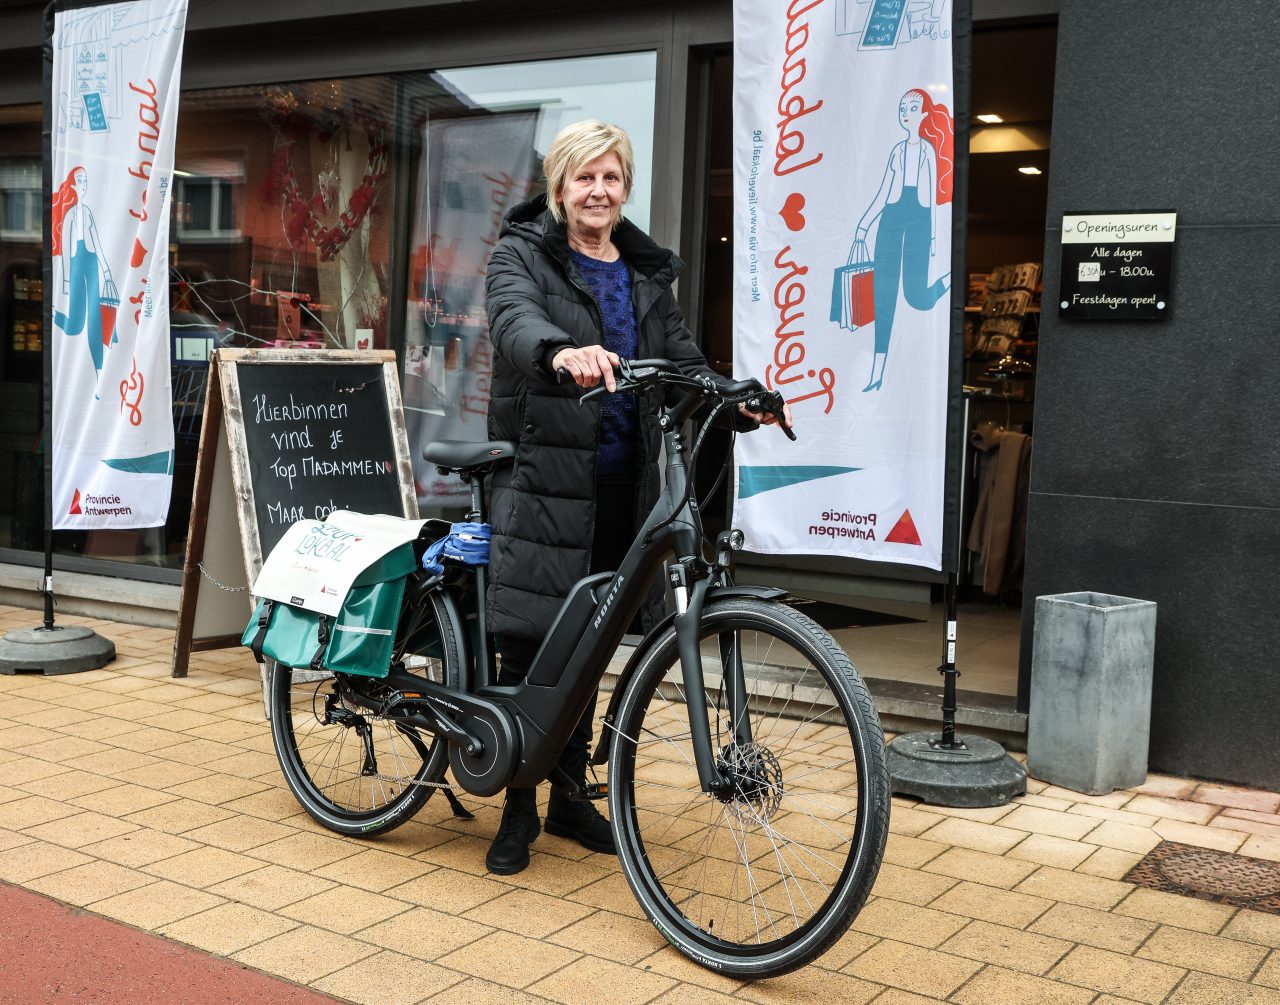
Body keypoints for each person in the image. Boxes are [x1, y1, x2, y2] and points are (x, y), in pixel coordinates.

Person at [482, 119, 789, 875]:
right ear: (560, 187)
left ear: (625, 190)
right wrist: (561, 351)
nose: (599, 190)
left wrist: (735, 397)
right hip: (547, 478)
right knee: (537, 637)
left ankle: (567, 795)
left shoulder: (645, 274)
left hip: (627, 483)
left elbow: (683, 363)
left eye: (612, 177)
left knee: (592, 641)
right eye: (584, 177)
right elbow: (514, 320)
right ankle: (517, 804)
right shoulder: (522, 253)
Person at [853, 88, 954, 392]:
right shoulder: (897, 150)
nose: (906, 113)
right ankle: (877, 372)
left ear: (923, 115)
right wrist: (862, 227)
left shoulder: (928, 151)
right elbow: (884, 192)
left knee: (916, 296)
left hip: (920, 222)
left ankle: (949, 280)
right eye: (902, 108)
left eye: (912, 108)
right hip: (891, 221)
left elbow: (934, 200)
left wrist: (936, 237)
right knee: (882, 299)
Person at [51, 166, 117, 382]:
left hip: (91, 264)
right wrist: (67, 281)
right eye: (80, 180)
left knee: (95, 322)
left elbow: (97, 242)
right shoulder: (69, 215)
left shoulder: (87, 212)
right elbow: (65, 250)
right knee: (75, 325)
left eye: (86, 180)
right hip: (76, 267)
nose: (84, 184)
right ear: (72, 184)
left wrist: (106, 270)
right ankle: (52, 315)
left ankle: (100, 372)